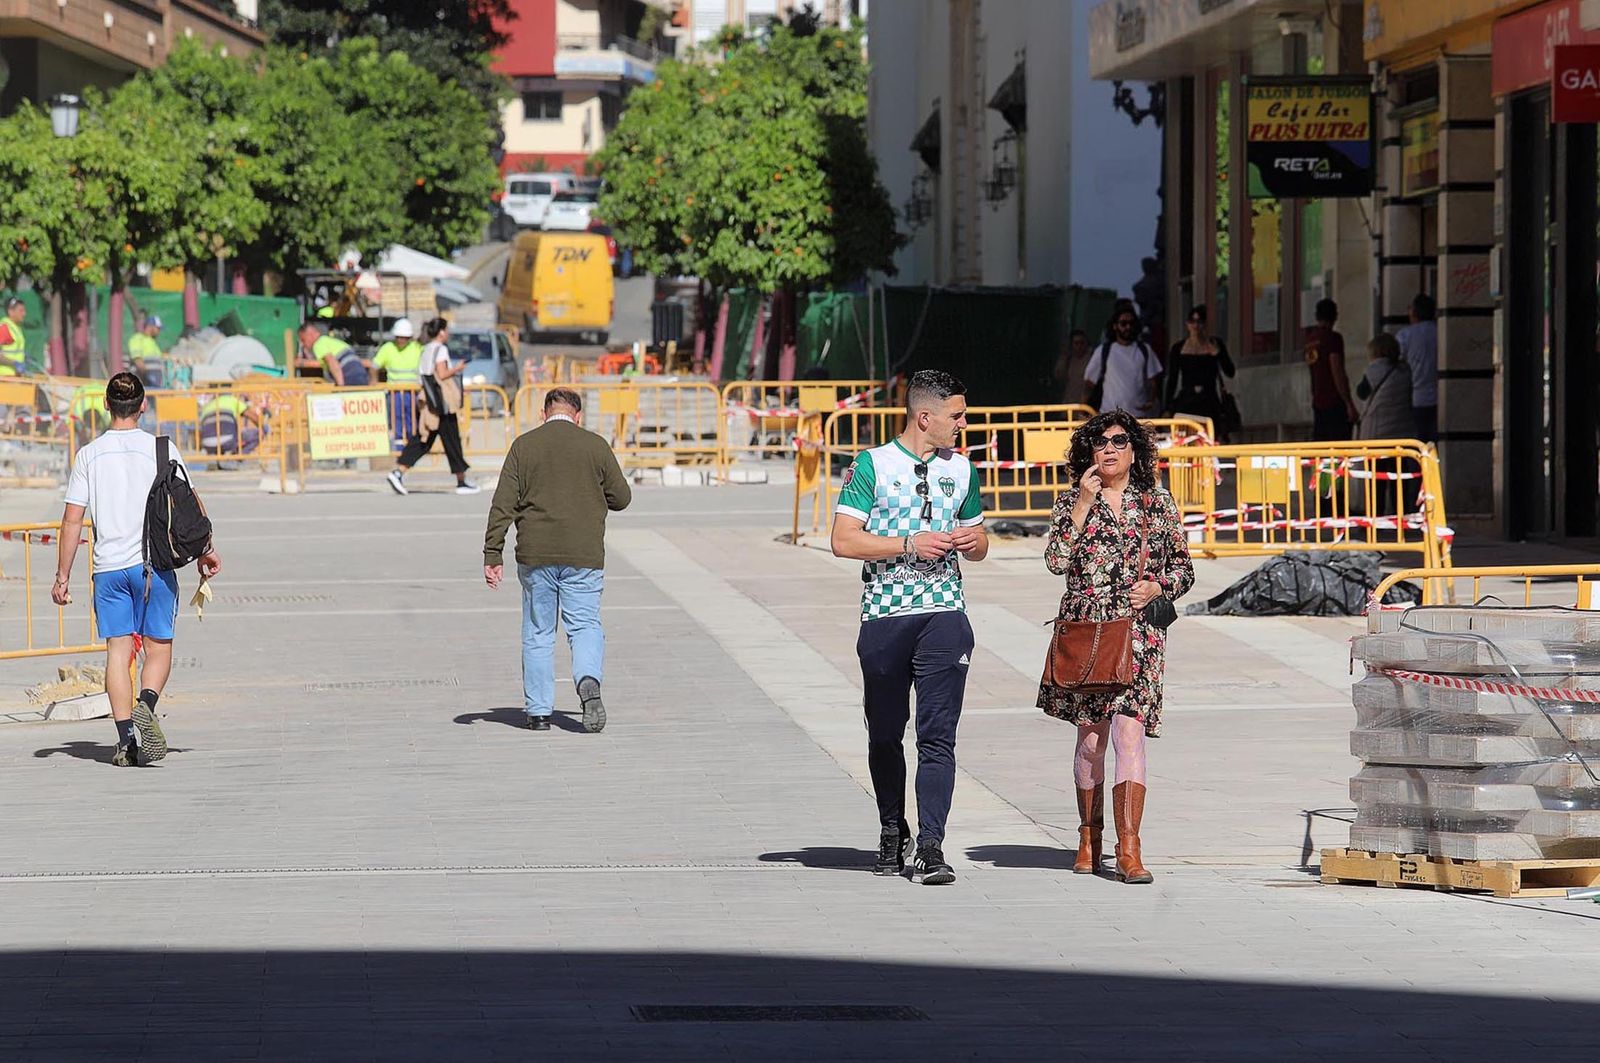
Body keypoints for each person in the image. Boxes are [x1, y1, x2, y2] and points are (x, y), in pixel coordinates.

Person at [830, 369, 989, 886]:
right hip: (885, 615)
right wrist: (907, 545)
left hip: (945, 611)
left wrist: (972, 543)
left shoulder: (963, 470)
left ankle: (932, 845)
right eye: (957, 416)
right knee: (885, 733)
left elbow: (982, 542)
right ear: (926, 417)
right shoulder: (872, 466)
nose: (963, 424)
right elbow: (843, 540)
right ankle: (890, 828)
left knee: (938, 735)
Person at [1037, 411, 1194, 884]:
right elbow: (1055, 561)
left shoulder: (1157, 504)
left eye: (1119, 441)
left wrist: (1157, 587)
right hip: (1088, 634)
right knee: (1090, 742)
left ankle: (1130, 848)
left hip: (1139, 635)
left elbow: (1184, 570)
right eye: (1099, 443)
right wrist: (1084, 504)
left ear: (1135, 451)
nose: (1109, 449)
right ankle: (1089, 835)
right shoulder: (1071, 503)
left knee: (1130, 735)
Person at [51, 373, 222, 767]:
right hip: (154, 567)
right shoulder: (162, 449)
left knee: (118, 652)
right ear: (143, 406)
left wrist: (62, 576)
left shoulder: (88, 455)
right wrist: (206, 551)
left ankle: (127, 739)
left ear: (106, 406)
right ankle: (147, 703)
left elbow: (71, 521)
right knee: (158, 648)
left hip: (107, 570)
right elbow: (190, 504)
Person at [483, 387, 632, 733]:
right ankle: (587, 680)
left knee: (538, 632)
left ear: (543, 414)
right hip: (584, 555)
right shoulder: (595, 446)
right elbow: (621, 498)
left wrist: (493, 552)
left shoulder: (524, 445)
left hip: (535, 554)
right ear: (578, 416)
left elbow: (502, 503)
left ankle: (538, 713)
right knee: (584, 625)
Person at [387, 318, 477, 495]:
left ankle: (399, 472)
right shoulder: (440, 349)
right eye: (447, 330)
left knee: (424, 438)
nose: (448, 333)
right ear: (441, 332)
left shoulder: (426, 349)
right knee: (450, 440)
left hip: (429, 400)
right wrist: (457, 368)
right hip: (442, 403)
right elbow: (442, 374)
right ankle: (461, 481)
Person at [1163, 305, 1234, 434]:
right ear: (1187, 324)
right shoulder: (1179, 348)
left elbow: (1230, 372)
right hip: (1187, 400)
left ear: (1205, 325)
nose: (1196, 326)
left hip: (1209, 400)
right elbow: (1172, 379)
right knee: (1186, 437)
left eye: (1200, 322)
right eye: (1192, 322)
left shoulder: (1215, 344)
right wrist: (1167, 407)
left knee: (1210, 437)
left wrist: (1217, 354)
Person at [1084, 302, 1162, 416]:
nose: (1128, 327)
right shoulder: (1103, 351)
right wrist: (1083, 412)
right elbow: (1089, 384)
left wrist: (1150, 400)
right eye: (1123, 323)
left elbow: (1154, 382)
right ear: (1115, 326)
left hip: (1138, 417)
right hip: (1110, 417)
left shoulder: (1145, 350)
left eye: (1131, 323)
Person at [1305, 298, 1357, 440]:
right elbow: (1337, 370)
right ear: (1335, 316)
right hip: (1334, 402)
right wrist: (1348, 403)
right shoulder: (1333, 338)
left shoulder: (1310, 341)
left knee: (1322, 450)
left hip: (1317, 401)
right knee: (1340, 449)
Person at [373, 318, 422, 447]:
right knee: (397, 419)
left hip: (413, 392)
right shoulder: (388, 348)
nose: (401, 340)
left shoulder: (417, 348)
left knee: (412, 419)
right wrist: (373, 383)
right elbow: (374, 366)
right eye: (399, 337)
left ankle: (413, 445)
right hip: (394, 392)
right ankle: (399, 445)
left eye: (404, 337)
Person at [1397, 293, 1437, 443]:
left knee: (1415, 445)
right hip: (1439, 398)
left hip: (1415, 399)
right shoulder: (1439, 331)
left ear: (1414, 312)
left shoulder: (1405, 335)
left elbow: (1398, 363)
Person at [298, 321, 369, 387]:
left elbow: (332, 361)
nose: (303, 344)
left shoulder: (318, 344)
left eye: (303, 340)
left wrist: (340, 386)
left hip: (349, 376)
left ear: (310, 335)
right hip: (361, 374)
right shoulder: (332, 342)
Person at [1053, 328, 1091, 404]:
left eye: (1082, 343)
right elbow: (1058, 376)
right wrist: (1064, 357)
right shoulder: (1068, 359)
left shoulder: (1092, 360)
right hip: (1069, 404)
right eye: (1076, 343)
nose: (1079, 346)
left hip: (1086, 406)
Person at [127, 314, 164, 384]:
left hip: (154, 383)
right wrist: (147, 378)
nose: (159, 331)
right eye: (158, 328)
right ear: (150, 327)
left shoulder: (152, 342)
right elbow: (138, 361)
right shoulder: (137, 339)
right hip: (143, 382)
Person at [0, 297, 27, 376]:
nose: (24, 314)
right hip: (4, 378)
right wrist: (14, 363)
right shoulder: (4, 328)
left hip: (15, 377)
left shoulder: (16, 328)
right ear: (10, 312)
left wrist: (24, 357)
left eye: (24, 310)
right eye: (21, 311)